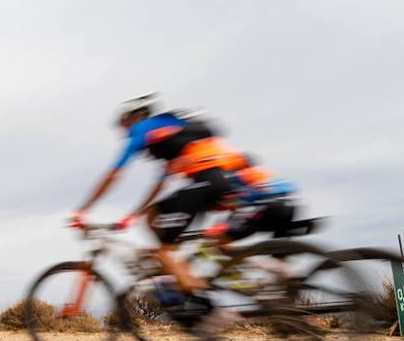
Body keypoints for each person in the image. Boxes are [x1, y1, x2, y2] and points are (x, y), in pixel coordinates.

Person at [72, 93, 292, 303]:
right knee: (185, 232)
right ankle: (245, 276)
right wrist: (133, 215)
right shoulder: (171, 137)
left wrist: (84, 209)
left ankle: (197, 297)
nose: (125, 132)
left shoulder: (141, 129)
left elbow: (115, 173)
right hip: (224, 182)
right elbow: (158, 186)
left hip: (208, 182)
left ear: (135, 117)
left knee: (164, 247)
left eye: (125, 125)